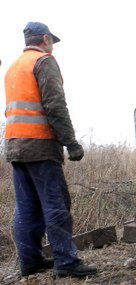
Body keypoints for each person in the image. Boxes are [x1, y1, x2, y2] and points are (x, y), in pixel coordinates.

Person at [4, 22, 97, 278]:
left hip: (15, 146)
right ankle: (66, 262)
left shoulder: (14, 68)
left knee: (27, 208)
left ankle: (31, 262)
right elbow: (55, 105)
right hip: (39, 146)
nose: (53, 46)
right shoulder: (43, 61)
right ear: (45, 38)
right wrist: (71, 143)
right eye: (52, 41)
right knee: (55, 204)